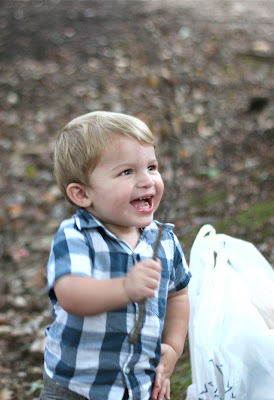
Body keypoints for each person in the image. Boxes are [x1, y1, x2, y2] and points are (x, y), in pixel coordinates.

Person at [41, 111, 191, 400]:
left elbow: (178, 295)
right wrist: (125, 288)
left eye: (151, 167)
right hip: (76, 388)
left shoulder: (164, 241)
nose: (147, 181)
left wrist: (173, 347)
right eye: (127, 172)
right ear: (82, 194)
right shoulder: (76, 236)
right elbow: (71, 294)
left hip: (139, 386)